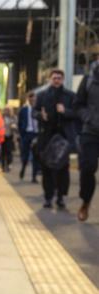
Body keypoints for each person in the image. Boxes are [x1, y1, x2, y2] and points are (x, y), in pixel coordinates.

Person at [33, 69, 77, 209]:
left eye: (59, 78)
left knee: (63, 168)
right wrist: (41, 116)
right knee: (46, 167)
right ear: (50, 79)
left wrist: (65, 111)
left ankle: (61, 197)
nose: (56, 80)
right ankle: (48, 197)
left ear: (63, 79)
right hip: (47, 136)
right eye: (54, 78)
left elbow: (77, 113)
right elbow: (34, 112)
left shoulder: (70, 96)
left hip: (63, 138)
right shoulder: (41, 95)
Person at [74, 56, 99, 222]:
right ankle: (85, 202)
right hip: (90, 131)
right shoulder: (89, 79)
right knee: (88, 168)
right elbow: (78, 104)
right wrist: (88, 117)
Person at [18, 91, 40, 182]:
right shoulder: (23, 110)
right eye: (30, 98)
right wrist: (22, 133)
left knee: (36, 156)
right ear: (28, 99)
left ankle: (34, 176)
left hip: (36, 134)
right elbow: (19, 123)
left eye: (34, 98)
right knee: (25, 155)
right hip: (27, 134)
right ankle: (23, 167)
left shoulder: (39, 109)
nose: (32, 100)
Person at [0, 106, 17, 172]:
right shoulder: (2, 117)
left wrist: (14, 126)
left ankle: (9, 164)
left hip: (10, 136)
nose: (6, 111)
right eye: (5, 110)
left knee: (9, 151)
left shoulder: (13, 117)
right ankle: (3, 166)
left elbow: (16, 126)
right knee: (3, 151)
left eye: (8, 110)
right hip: (3, 136)